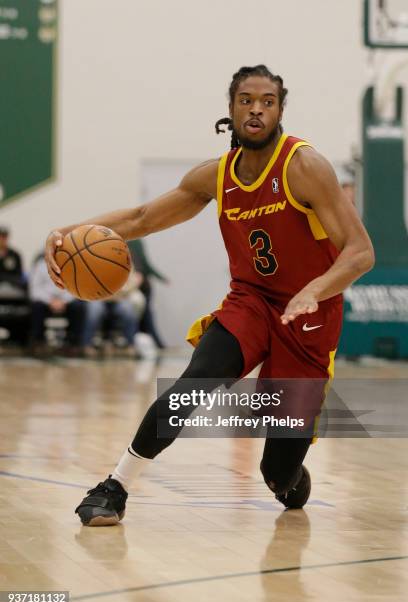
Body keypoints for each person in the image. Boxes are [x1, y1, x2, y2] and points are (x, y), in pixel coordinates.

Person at [45, 65, 374, 526]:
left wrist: (315, 290)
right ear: (231, 109)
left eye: (267, 100)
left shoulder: (305, 167)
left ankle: (291, 478)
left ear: (280, 110)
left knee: (277, 475)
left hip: (309, 317)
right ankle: (114, 487)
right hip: (252, 303)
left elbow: (361, 252)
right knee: (193, 383)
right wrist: (65, 232)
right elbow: (141, 218)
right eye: (246, 100)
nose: (256, 108)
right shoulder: (215, 176)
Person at [29, 253, 86, 357]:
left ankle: (72, 344)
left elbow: (76, 287)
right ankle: (38, 343)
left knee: (78, 307)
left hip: (65, 300)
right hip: (46, 301)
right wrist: (50, 301)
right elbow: (35, 289)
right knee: (36, 307)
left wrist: (63, 301)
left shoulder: (73, 264)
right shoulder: (40, 265)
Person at [127, 239, 167, 348]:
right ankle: (157, 343)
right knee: (141, 315)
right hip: (132, 286)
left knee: (146, 315)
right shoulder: (124, 241)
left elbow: (145, 264)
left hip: (142, 286)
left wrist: (161, 278)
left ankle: (157, 343)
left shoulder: (136, 242)